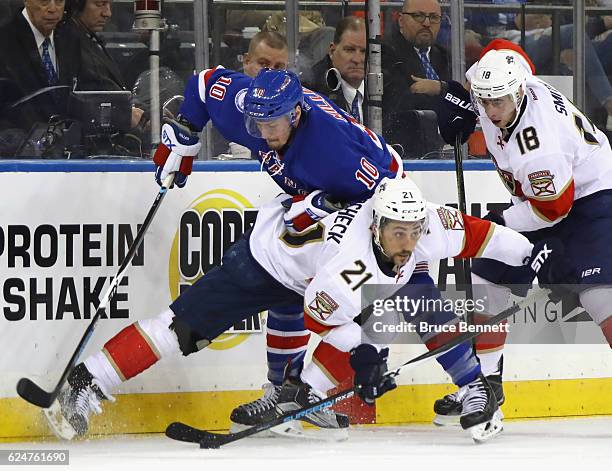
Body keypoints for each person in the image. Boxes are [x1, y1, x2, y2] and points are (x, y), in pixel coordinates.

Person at [43, 173, 553, 443]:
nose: (408, 242)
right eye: (399, 233)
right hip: (263, 262)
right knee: (179, 330)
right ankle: (89, 384)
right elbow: (320, 316)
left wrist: (533, 258)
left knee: (390, 312)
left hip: (305, 266)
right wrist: (365, 359)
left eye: (414, 232)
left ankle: (305, 393)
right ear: (377, 226)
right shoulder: (349, 262)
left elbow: (486, 236)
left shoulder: (424, 227)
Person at [435, 40, 612, 426]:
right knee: (487, 271)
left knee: (602, 297)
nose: (491, 110)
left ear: (519, 91)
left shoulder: (539, 146)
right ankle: (487, 383)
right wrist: (460, 102)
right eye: (484, 101)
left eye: (498, 102)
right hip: (548, 196)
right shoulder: (500, 78)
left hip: (590, 198)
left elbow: (553, 210)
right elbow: (500, 49)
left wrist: (500, 222)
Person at [59, 0, 143, 128]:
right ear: (77, 4)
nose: (107, 13)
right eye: (99, 4)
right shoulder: (69, 43)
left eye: (109, 5)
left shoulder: (89, 39)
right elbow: (100, 89)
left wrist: (147, 112)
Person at [382, 0, 450, 158]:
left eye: (433, 17)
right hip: (405, 152)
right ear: (400, 20)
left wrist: (439, 88)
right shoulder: (386, 52)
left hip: (444, 147)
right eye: (418, 16)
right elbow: (403, 104)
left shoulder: (443, 56)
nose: (427, 23)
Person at [0, 0, 79, 127]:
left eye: (59, 1)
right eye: (44, 1)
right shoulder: (4, 41)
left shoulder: (71, 37)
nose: (53, 9)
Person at [211, 30, 289, 159]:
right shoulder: (223, 97)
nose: (270, 73)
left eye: (279, 67)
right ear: (246, 61)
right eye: (263, 64)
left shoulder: (294, 107)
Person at [303, 16, 366, 123]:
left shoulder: (389, 89)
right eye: (349, 50)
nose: (357, 59)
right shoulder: (311, 93)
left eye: (364, 51)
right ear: (332, 51)